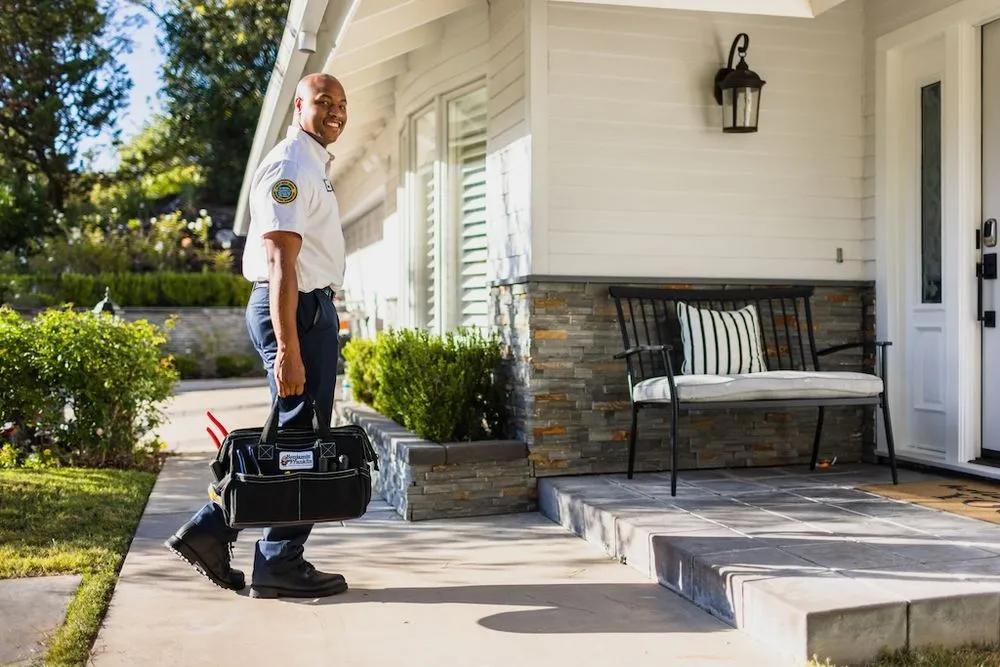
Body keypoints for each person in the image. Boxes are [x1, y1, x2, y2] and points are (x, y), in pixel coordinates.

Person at [165, 73, 350, 600]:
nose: (334, 111)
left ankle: (232, 539)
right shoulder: (290, 165)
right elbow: (279, 260)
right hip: (295, 312)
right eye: (323, 102)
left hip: (309, 310)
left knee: (297, 437)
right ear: (298, 106)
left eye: (340, 103)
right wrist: (289, 348)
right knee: (300, 440)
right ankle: (268, 557)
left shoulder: (312, 164)